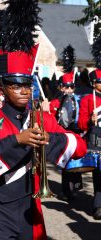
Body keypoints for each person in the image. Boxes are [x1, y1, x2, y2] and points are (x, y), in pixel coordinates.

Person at [0, 2, 86, 238]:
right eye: (15, 85)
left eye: (27, 84)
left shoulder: (41, 118)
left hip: (30, 209)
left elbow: (79, 147)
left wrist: (50, 138)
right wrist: (17, 140)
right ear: (2, 86)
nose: (23, 90)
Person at [49, 45, 83, 201]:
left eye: (71, 86)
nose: (69, 89)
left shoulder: (78, 100)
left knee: (77, 160)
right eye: (66, 86)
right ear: (60, 87)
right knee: (66, 163)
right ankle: (66, 190)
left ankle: (75, 185)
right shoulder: (56, 101)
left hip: (76, 132)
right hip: (62, 134)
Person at [78, 36, 101, 220]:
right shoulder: (87, 99)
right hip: (96, 142)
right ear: (94, 83)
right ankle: (98, 205)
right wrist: (89, 120)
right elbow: (80, 123)